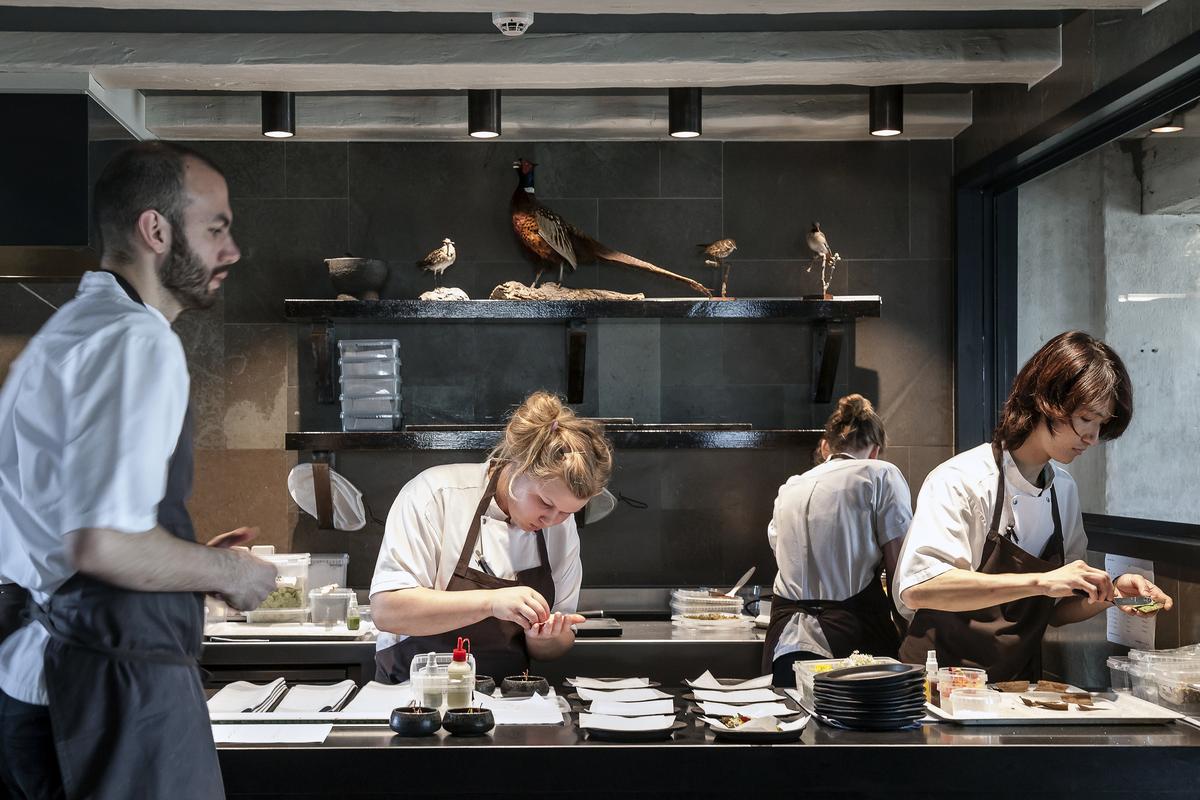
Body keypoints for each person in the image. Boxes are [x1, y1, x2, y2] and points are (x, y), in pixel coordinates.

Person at [0, 142, 278, 800]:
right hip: (101, 690)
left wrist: (180, 566)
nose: (231, 251)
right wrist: (231, 573)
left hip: (41, 686)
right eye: (216, 228)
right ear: (156, 230)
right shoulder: (136, 340)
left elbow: (55, 529)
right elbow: (99, 542)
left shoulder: (68, 332)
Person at [895, 331, 1172, 681]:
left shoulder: (1064, 492)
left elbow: (1057, 609)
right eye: (1086, 418)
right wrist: (1040, 581)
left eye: (1102, 425)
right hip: (937, 685)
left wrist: (1112, 593)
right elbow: (921, 587)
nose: (1092, 437)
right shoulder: (962, 480)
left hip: (1015, 687)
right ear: (1046, 400)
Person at [370, 392, 613, 683]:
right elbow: (387, 611)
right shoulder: (436, 496)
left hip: (507, 702)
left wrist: (545, 638)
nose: (552, 520)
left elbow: (553, 647)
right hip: (414, 696)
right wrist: (490, 602)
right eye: (545, 504)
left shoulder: (560, 526)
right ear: (517, 466)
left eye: (567, 512)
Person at [762, 394, 913, 687]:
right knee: (855, 731)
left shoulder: (790, 487)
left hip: (784, 641)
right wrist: (911, 632)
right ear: (875, 451)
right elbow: (900, 573)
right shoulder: (881, 474)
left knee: (794, 723)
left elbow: (785, 555)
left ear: (825, 446)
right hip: (852, 643)